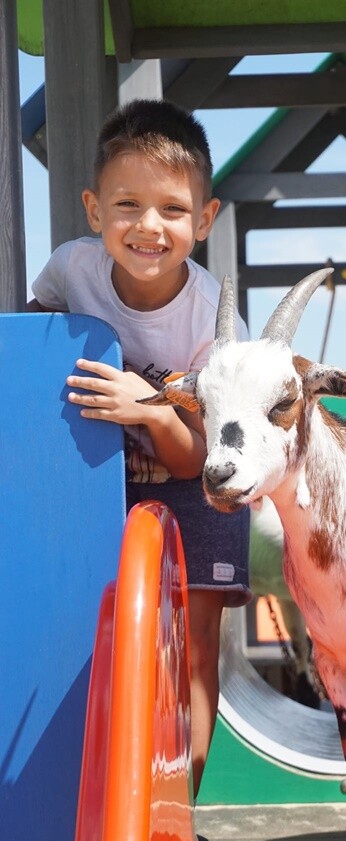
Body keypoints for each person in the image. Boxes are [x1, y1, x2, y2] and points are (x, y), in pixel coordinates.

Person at [28, 98, 252, 797]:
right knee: (100, 636)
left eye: (173, 211)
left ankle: (184, 804)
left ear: (205, 220)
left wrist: (150, 407)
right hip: (106, 485)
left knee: (193, 647)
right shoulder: (74, 270)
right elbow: (32, 334)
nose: (149, 227)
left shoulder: (214, 326)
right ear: (95, 211)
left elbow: (196, 458)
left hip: (198, 479)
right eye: (128, 205)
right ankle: (96, 790)